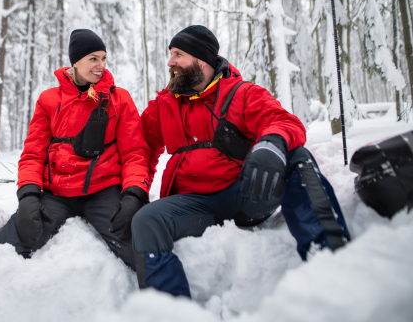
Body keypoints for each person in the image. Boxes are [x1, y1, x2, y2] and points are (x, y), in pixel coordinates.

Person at [132, 25, 351, 297]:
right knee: (145, 221)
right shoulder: (163, 106)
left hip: (247, 194)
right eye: (171, 54)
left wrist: (271, 144)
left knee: (295, 156)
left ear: (201, 60)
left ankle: (330, 259)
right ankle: (170, 309)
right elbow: (140, 149)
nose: (170, 62)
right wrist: (134, 191)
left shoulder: (243, 93)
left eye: (178, 54)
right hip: (194, 206)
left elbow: (283, 122)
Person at [0, 29, 150, 270]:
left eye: (104, 58)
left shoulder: (120, 100)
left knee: (141, 251)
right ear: (75, 62)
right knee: (13, 242)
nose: (101, 65)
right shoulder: (49, 100)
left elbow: (134, 153)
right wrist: (28, 196)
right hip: (57, 193)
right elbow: (33, 154)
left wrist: (133, 195)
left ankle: (161, 303)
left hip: (103, 190)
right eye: (93, 58)